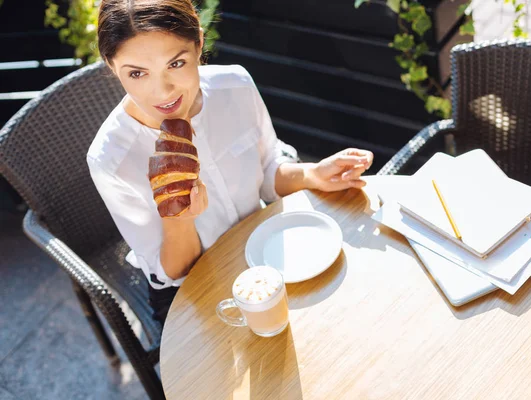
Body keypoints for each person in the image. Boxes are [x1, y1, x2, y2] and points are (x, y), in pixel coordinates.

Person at [87, 0, 374, 324]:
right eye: (137, 73)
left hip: (265, 246)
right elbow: (173, 272)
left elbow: (267, 169)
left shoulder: (235, 85)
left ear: (198, 42)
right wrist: (179, 217)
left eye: (176, 63)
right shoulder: (111, 159)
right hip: (191, 290)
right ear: (112, 66)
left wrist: (312, 174)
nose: (162, 90)